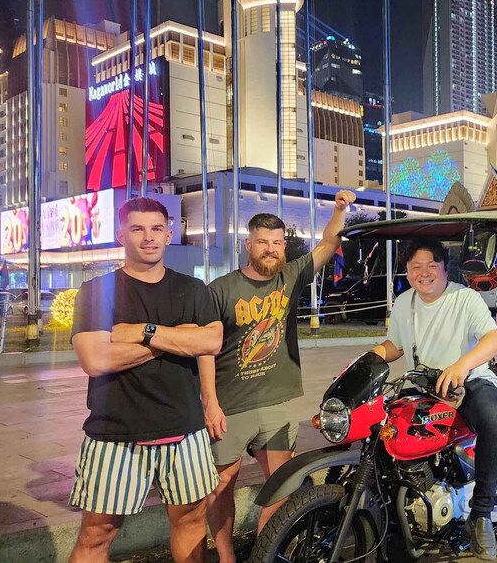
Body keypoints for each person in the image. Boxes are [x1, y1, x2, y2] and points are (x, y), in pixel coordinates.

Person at [204, 190, 356, 563]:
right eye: (262, 243)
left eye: (276, 243)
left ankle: (264, 551)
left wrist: (339, 210)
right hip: (231, 406)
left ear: (284, 246)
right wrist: (210, 402)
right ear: (248, 245)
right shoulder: (220, 289)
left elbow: (328, 243)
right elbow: (204, 350)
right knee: (221, 486)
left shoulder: (290, 277)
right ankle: (225, 556)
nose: (270, 249)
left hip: (277, 402)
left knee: (282, 484)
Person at [69, 198, 223, 563]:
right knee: (97, 533)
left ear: (169, 235)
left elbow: (211, 342)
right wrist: (179, 338)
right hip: (115, 432)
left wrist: (142, 331)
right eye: (137, 229)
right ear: (121, 235)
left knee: (191, 520)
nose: (148, 237)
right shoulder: (97, 291)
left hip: (185, 428)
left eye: (156, 229)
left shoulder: (193, 288)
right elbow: (95, 360)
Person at [371, 240, 497, 560]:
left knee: (493, 421)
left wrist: (462, 365)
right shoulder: (404, 302)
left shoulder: (465, 298)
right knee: (382, 430)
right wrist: (368, 359)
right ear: (407, 272)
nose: (424, 273)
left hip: (469, 382)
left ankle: (481, 515)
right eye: (416, 267)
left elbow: (494, 339)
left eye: (432, 265)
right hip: (425, 387)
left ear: (446, 268)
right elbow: (395, 345)